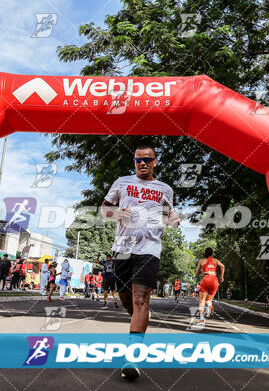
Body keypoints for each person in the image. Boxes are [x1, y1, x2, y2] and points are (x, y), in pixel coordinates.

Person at [100, 145, 179, 380]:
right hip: (123, 249)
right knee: (126, 300)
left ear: (155, 162)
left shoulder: (165, 189)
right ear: (134, 162)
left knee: (140, 298)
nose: (142, 163)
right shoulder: (122, 182)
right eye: (138, 160)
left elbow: (169, 218)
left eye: (147, 159)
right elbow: (104, 209)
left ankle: (132, 357)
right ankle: (138, 317)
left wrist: (173, 220)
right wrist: (116, 215)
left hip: (149, 249)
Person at [195, 247, 225, 326]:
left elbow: (197, 273)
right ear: (212, 253)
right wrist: (221, 277)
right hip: (214, 280)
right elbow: (223, 266)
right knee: (208, 300)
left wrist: (202, 272)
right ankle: (209, 309)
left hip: (206, 279)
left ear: (205, 253)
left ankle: (202, 320)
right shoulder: (216, 260)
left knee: (202, 300)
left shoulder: (201, 261)